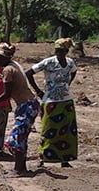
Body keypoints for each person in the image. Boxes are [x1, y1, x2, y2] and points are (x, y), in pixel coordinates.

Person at [0, 43, 40, 177]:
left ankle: (18, 170)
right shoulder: (13, 65)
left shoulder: (8, 70)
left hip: (25, 106)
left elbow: (6, 94)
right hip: (31, 104)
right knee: (22, 138)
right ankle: (22, 167)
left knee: (17, 137)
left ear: (3, 58)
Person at [26, 38, 78, 167]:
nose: (59, 53)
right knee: (48, 130)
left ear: (66, 51)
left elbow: (74, 72)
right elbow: (29, 73)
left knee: (66, 131)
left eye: (61, 51)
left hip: (66, 102)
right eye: (57, 51)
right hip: (50, 101)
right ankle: (43, 158)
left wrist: (67, 85)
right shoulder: (48, 62)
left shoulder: (70, 63)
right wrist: (38, 91)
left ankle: (64, 160)